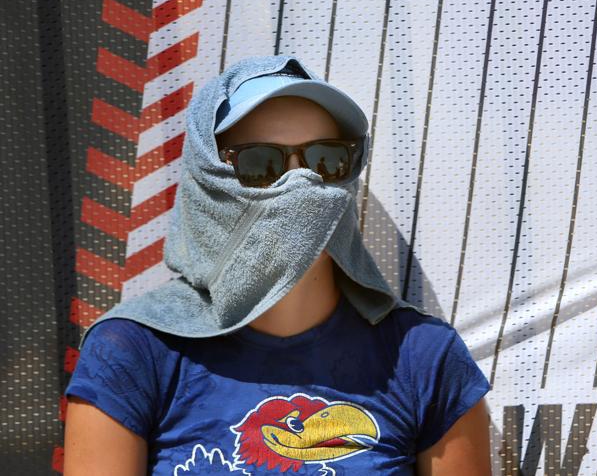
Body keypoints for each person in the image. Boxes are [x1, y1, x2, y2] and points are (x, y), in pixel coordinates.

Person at [63, 55, 492, 475]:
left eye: (325, 160)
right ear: (205, 179)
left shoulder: (423, 356)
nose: (301, 182)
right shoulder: (132, 351)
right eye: (260, 163)